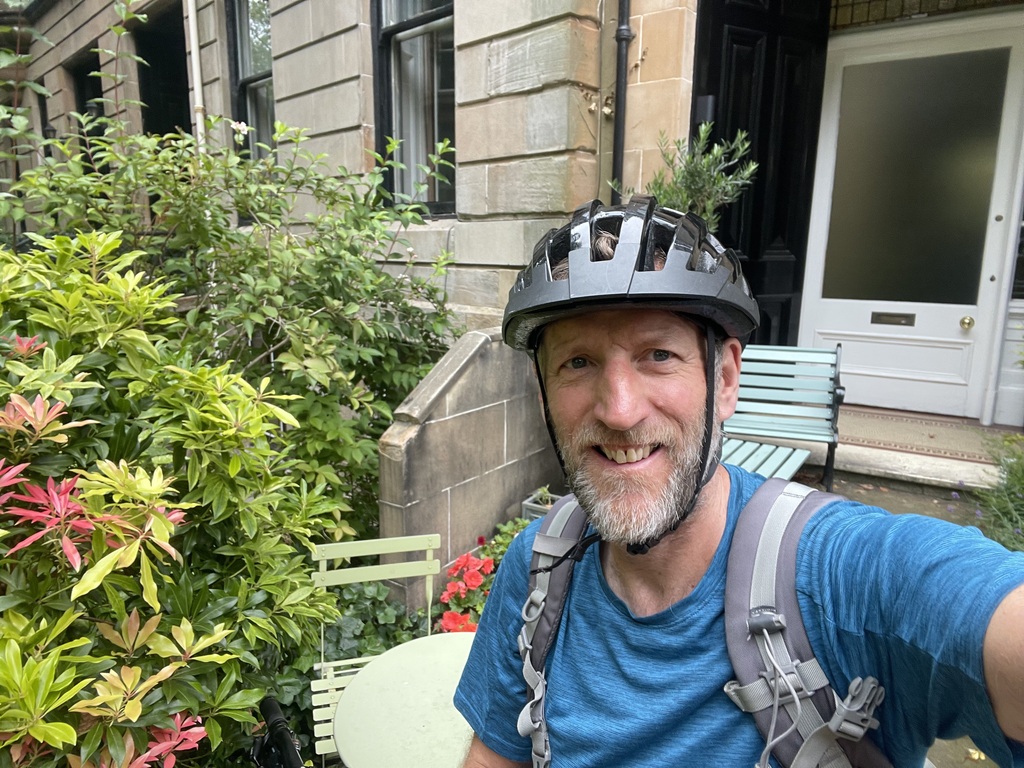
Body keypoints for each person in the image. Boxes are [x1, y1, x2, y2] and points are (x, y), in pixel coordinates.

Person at [453, 196, 1024, 767]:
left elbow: (974, 610)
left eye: (658, 354)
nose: (620, 411)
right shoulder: (541, 566)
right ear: (544, 394)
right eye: (577, 362)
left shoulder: (837, 580)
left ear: (725, 379)